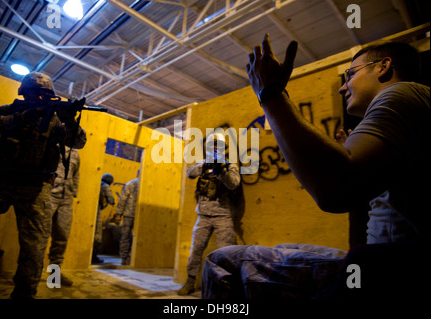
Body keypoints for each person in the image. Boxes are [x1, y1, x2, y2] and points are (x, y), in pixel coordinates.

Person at [202, 35, 430, 300]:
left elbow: (335, 190)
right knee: (284, 247)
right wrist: (351, 164)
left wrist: (270, 93)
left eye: (350, 75)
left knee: (223, 261)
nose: (342, 88)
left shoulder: (401, 93)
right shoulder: (406, 119)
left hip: (391, 272)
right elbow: (351, 198)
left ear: (383, 67)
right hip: (377, 258)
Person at [0, 72, 87, 299]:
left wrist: (69, 119)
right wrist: (17, 119)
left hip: (37, 188)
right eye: (35, 94)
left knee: (35, 248)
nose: (40, 99)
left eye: (45, 95)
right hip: (1, 181)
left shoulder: (55, 120)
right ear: (24, 93)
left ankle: (26, 293)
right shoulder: (10, 111)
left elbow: (78, 142)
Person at [178, 132, 241, 296]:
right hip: (203, 215)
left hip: (223, 215)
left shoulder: (229, 165)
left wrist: (221, 170)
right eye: (212, 146)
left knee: (226, 253)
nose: (215, 148)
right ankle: (190, 281)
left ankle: (226, 288)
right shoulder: (203, 163)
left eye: (218, 146)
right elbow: (190, 172)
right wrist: (205, 165)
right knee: (196, 250)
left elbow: (234, 184)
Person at [48, 146, 80, 286]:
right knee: (38, 236)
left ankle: (54, 276)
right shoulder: (52, 143)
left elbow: (76, 173)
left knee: (61, 237)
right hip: (49, 195)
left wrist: (74, 192)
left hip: (66, 198)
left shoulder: (75, 152)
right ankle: (30, 274)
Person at [115, 169, 140, 265]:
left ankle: (124, 258)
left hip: (128, 214)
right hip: (140, 216)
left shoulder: (130, 183)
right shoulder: (146, 185)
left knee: (125, 236)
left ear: (137, 174)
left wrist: (118, 214)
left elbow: (123, 199)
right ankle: (131, 258)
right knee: (135, 238)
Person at [92, 173, 115, 264]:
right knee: (97, 234)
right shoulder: (105, 186)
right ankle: (94, 257)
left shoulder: (97, 183)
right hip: (97, 210)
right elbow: (111, 200)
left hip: (90, 209)